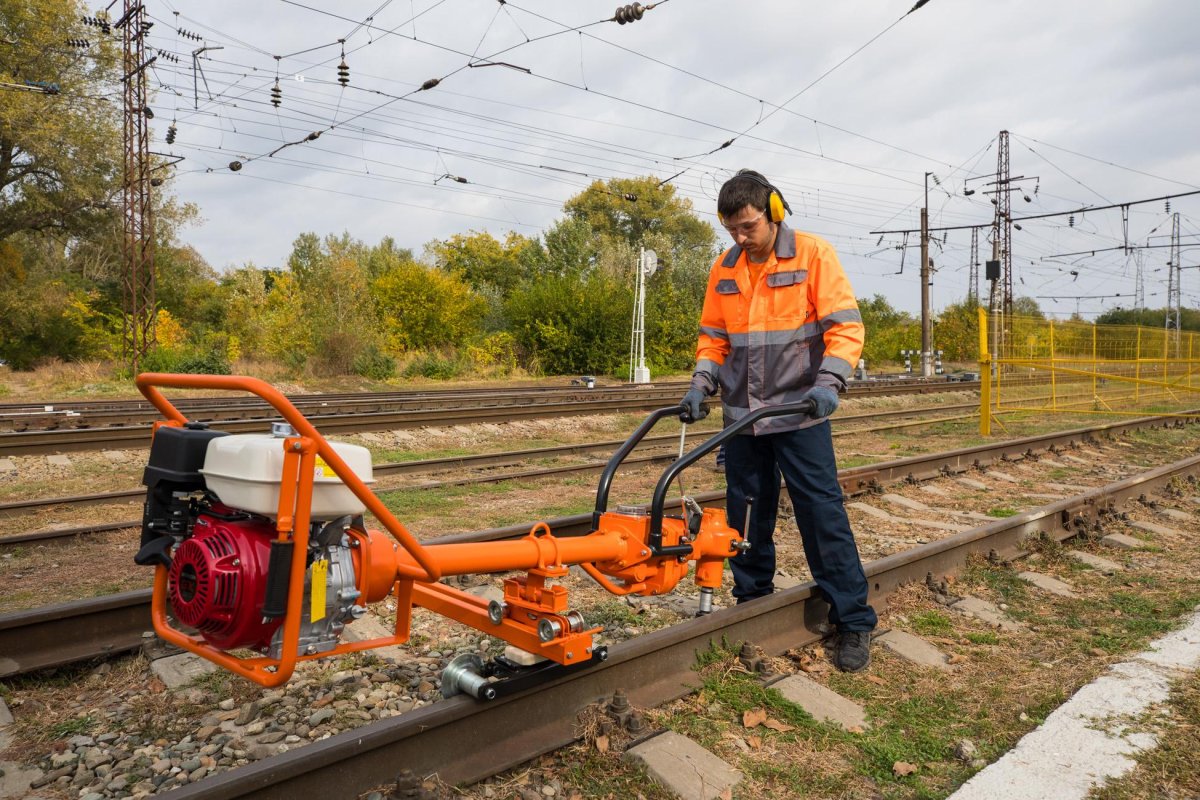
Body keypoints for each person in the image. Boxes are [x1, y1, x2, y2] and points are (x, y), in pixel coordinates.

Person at [679, 169, 877, 672]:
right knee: (746, 516)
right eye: (731, 229)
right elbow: (714, 338)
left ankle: (853, 620)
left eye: (748, 227)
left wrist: (829, 384)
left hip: (799, 413)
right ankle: (752, 606)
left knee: (821, 515)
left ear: (774, 212)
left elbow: (845, 329)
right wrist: (701, 384)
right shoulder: (724, 267)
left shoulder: (813, 255)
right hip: (742, 418)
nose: (740, 238)